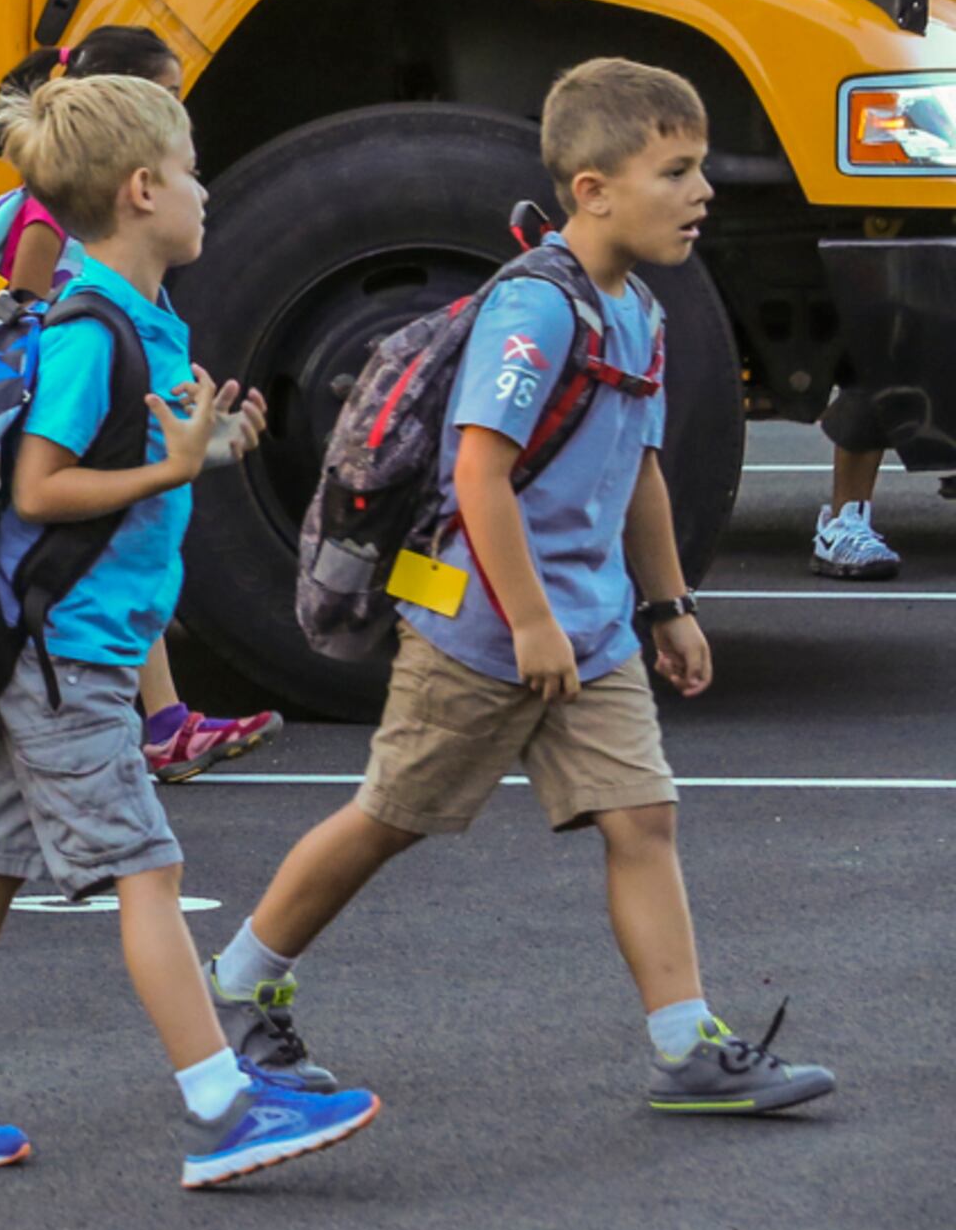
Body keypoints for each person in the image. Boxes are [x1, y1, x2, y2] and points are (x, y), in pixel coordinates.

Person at [216, 60, 837, 1118]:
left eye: (698, 171)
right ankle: (239, 983)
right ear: (591, 190)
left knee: (642, 820)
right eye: (675, 172)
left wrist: (668, 606)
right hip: (482, 632)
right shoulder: (536, 310)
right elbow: (478, 474)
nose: (703, 193)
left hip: (590, 631)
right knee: (389, 818)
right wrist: (532, 621)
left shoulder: (637, 310)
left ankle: (687, 1048)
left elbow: (639, 467)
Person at [0, 73, 385, 1190]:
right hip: (66, 651)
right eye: (190, 172)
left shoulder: (140, 318)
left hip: (77, 641)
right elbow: (40, 488)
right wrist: (172, 464)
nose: (204, 192)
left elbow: (123, 468)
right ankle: (223, 1105)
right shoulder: (93, 328)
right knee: (145, 865)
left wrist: (207, 449)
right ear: (142, 190)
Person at [0, 27, 286, 782]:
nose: (176, 114)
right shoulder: (60, 240)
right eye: (167, 96)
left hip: (77, 546)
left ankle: (168, 720)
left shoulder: (126, 279)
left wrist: (190, 441)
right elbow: (27, 320)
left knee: (111, 544)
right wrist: (139, 430)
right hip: (13, 432)